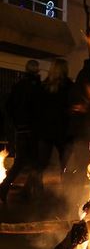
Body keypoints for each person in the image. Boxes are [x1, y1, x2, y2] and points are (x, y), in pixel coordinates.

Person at [0, 59, 41, 202]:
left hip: (21, 129)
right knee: (36, 161)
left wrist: (16, 123)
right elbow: (37, 109)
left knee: (20, 162)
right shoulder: (37, 87)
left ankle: (7, 186)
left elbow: (9, 105)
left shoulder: (18, 85)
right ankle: (31, 192)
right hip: (33, 129)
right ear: (36, 71)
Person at [36, 58, 75, 191]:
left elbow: (37, 108)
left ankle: (35, 189)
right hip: (63, 130)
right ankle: (66, 191)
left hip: (45, 130)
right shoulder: (69, 86)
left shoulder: (43, 86)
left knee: (41, 163)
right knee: (65, 163)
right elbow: (71, 106)